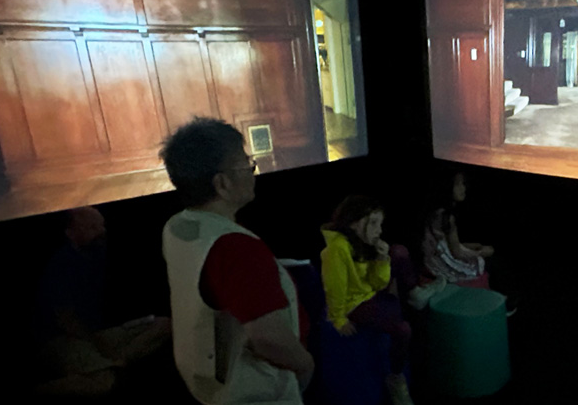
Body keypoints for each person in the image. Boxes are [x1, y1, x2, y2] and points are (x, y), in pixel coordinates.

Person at [160, 117, 313, 404]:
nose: (252, 171)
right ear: (222, 184)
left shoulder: (178, 227)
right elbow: (268, 339)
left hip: (210, 387)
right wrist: (305, 365)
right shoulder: (236, 249)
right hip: (258, 393)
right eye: (246, 164)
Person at [33, 206, 172, 397]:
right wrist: (101, 346)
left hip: (95, 334)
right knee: (104, 382)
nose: (101, 232)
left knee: (164, 324)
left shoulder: (95, 255)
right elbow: (66, 321)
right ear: (71, 233)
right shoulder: (62, 266)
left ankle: (113, 363)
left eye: (101, 226)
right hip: (63, 341)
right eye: (92, 227)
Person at [320, 195, 415, 405]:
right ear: (354, 221)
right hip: (355, 304)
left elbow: (378, 284)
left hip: (371, 292)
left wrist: (382, 259)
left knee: (398, 251)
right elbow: (334, 289)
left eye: (379, 224)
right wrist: (338, 319)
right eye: (373, 223)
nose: (378, 230)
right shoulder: (337, 250)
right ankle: (396, 378)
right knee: (403, 330)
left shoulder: (364, 243)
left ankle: (414, 295)